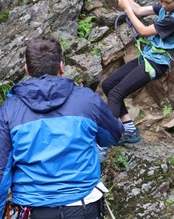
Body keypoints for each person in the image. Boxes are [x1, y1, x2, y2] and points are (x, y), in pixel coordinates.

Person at [0, 35, 124, 219]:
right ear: (61, 66)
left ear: (26, 69)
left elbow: (2, 171)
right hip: (83, 207)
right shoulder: (87, 100)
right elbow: (113, 136)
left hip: (33, 210)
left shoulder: (9, 111)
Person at [102, 0, 174, 145]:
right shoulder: (167, 9)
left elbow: (143, 30)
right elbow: (140, 10)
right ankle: (129, 130)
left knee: (116, 93)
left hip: (156, 64)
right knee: (108, 85)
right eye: (161, 1)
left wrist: (126, 9)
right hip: (147, 58)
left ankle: (105, 138)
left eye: (167, 2)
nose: (163, 5)